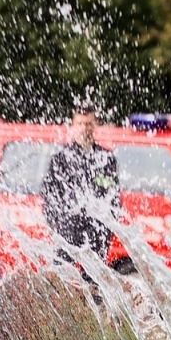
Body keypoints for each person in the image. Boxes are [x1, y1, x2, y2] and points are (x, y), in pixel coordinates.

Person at [41, 102, 119, 260]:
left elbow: (113, 195)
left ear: (95, 124)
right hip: (68, 231)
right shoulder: (61, 159)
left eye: (88, 123)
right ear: (73, 125)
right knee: (63, 277)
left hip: (96, 232)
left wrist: (108, 230)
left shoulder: (106, 159)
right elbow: (48, 196)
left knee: (95, 282)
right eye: (80, 123)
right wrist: (57, 225)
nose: (84, 128)